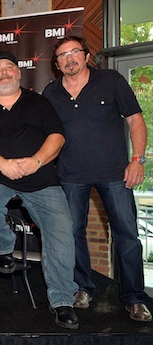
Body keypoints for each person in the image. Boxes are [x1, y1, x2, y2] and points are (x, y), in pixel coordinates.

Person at [0, 51, 79, 329]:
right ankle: (4, 246)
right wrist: (3, 165)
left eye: (9, 68)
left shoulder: (39, 102)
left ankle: (62, 300)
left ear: (19, 74)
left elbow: (57, 136)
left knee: (61, 229)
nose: (4, 72)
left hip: (40, 177)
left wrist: (36, 160)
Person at [43, 36, 151, 322]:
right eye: (63, 56)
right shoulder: (50, 92)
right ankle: (82, 288)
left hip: (115, 173)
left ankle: (135, 298)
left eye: (74, 52)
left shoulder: (111, 80)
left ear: (87, 55)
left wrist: (138, 160)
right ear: (57, 64)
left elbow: (136, 120)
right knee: (72, 234)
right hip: (69, 176)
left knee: (127, 236)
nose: (69, 59)